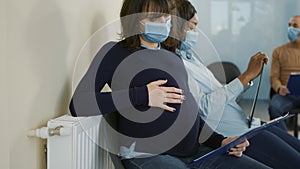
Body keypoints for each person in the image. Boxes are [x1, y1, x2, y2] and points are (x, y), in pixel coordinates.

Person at [69, 0, 272, 168]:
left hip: (195, 151)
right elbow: (78, 103)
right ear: (134, 20)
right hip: (147, 155)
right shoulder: (114, 52)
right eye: (154, 18)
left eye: (166, 17)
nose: (164, 22)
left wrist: (220, 141)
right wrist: (144, 95)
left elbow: (190, 112)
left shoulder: (172, 57)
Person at [162, 0, 300, 168]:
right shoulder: (173, 65)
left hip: (248, 124)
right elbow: (202, 108)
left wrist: (246, 80)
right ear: (177, 26)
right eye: (192, 27)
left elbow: (219, 93)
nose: (195, 32)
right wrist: (244, 77)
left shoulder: (189, 56)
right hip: (235, 135)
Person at [268, 15, 300, 131]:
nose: (291, 28)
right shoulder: (278, 51)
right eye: (289, 25)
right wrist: (279, 87)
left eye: (295, 26)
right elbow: (274, 77)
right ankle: (286, 141)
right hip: (286, 94)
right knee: (274, 107)